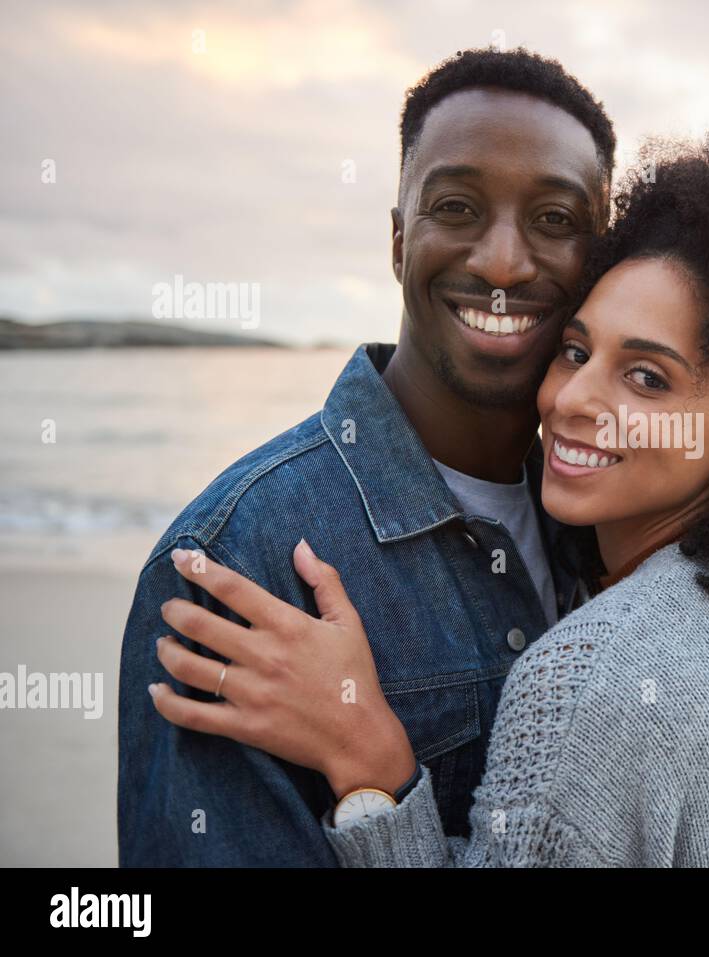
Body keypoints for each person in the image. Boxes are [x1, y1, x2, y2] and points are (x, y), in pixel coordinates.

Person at [147, 119, 709, 866]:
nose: (575, 397)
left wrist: (372, 764)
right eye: (576, 350)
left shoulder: (591, 676)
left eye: (645, 377)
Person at [116, 48, 616, 866]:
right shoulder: (236, 562)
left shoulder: (616, 528)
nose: (501, 262)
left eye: (555, 219)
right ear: (396, 240)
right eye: (456, 207)